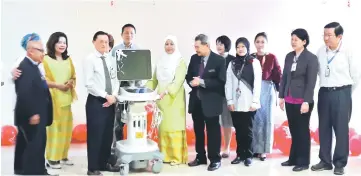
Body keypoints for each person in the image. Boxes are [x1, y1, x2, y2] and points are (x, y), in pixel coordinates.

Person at [311, 22, 360, 175]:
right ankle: (325, 161)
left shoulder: (348, 51)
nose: (325, 38)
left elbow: (356, 76)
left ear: (339, 36)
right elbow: (318, 72)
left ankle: (339, 163)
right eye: (324, 35)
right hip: (324, 93)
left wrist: (345, 94)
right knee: (324, 128)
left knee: (341, 129)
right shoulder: (320, 51)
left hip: (342, 93)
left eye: (329, 35)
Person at [14, 33, 55, 175]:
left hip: (37, 113)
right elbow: (24, 93)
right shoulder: (24, 67)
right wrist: (32, 113)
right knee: (35, 146)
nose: (44, 53)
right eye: (41, 50)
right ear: (30, 51)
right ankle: (36, 172)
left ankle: (26, 170)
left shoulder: (34, 66)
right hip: (32, 115)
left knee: (31, 145)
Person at [279, 28, 319, 172]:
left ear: (304, 41)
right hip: (289, 98)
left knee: (302, 131)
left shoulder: (311, 58)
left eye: (296, 39)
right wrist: (281, 96)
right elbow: (284, 77)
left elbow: (311, 82)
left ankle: (303, 162)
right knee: (294, 130)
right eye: (292, 39)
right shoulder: (289, 56)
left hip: (303, 100)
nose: (293, 42)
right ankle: (293, 158)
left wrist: (306, 101)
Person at [146, 35, 188, 165]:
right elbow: (153, 80)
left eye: (171, 44)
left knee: (173, 126)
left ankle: (176, 157)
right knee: (162, 126)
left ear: (176, 46)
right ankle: (163, 155)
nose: (169, 47)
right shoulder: (160, 61)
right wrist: (144, 91)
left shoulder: (180, 61)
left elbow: (179, 80)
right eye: (167, 44)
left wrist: (167, 90)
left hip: (174, 99)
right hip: (161, 99)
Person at [186, 34, 225, 171]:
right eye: (195, 46)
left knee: (213, 131)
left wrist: (201, 82)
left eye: (198, 47)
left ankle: (215, 159)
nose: (195, 49)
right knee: (198, 130)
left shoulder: (219, 60)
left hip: (211, 102)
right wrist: (192, 82)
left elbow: (221, 83)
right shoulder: (194, 58)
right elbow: (188, 75)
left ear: (206, 45)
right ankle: (200, 156)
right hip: (196, 100)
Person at [83, 31, 120, 175]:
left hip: (111, 102)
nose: (104, 44)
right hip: (96, 102)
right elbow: (89, 84)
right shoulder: (90, 59)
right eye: (101, 41)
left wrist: (114, 96)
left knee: (107, 136)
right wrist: (106, 96)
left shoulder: (110, 59)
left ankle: (104, 163)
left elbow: (116, 79)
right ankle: (92, 168)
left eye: (106, 42)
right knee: (95, 136)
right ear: (94, 42)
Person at [42, 32, 77, 169]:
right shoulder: (45, 60)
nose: (62, 45)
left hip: (66, 98)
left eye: (64, 42)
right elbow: (43, 80)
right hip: (52, 100)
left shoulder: (68, 60)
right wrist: (58, 86)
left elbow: (73, 76)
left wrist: (70, 82)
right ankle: (52, 159)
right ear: (53, 43)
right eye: (59, 42)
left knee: (66, 129)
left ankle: (63, 156)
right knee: (54, 130)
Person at [225, 37, 262, 166]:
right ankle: (240, 154)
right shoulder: (232, 63)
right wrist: (229, 100)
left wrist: (255, 102)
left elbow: (257, 83)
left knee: (248, 130)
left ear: (247, 48)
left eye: (243, 47)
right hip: (235, 102)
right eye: (238, 47)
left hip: (249, 102)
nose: (240, 49)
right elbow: (228, 83)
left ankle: (248, 155)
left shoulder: (254, 62)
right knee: (239, 130)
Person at [251, 32, 282, 161]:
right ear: (254, 43)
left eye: (262, 41)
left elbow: (278, 75)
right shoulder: (250, 57)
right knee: (255, 120)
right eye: (257, 41)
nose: (260, 44)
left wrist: (281, 94)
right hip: (253, 91)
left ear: (266, 43)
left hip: (268, 90)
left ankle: (264, 150)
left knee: (267, 120)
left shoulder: (272, 57)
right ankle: (254, 149)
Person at [110, 24, 141, 142]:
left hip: (134, 89)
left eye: (131, 33)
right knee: (118, 121)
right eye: (126, 33)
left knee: (135, 119)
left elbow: (141, 71)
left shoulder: (138, 50)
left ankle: (134, 144)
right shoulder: (115, 50)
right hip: (119, 89)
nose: (129, 35)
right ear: (122, 34)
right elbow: (112, 70)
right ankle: (117, 146)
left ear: (134, 35)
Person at [215, 35, 235, 158]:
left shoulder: (232, 59)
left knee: (227, 123)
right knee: (215, 123)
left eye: (221, 44)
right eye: (217, 44)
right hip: (215, 96)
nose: (218, 46)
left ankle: (226, 147)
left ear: (226, 45)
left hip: (227, 96)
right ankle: (216, 146)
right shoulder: (213, 59)